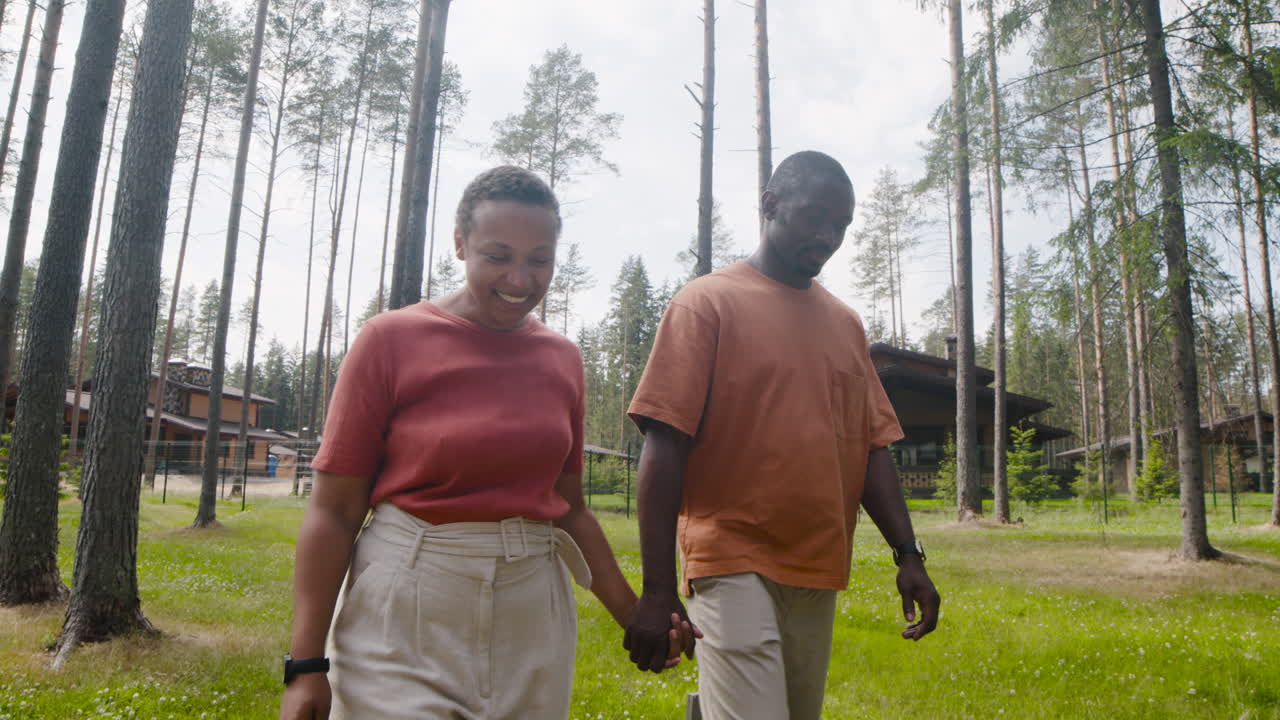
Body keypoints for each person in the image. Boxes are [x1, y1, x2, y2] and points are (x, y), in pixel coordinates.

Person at [280, 166, 691, 720]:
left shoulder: (562, 359)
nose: (520, 279)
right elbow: (333, 511)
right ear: (459, 243)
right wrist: (305, 668)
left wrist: (635, 613)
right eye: (499, 256)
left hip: (532, 617)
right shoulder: (389, 341)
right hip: (406, 608)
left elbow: (569, 509)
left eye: (539, 259)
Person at [622, 151, 941, 720]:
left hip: (817, 564)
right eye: (815, 217)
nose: (828, 236)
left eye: (841, 225)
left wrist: (908, 554)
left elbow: (870, 445)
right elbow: (664, 445)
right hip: (730, 556)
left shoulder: (844, 324)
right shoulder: (707, 305)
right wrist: (656, 590)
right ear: (769, 205)